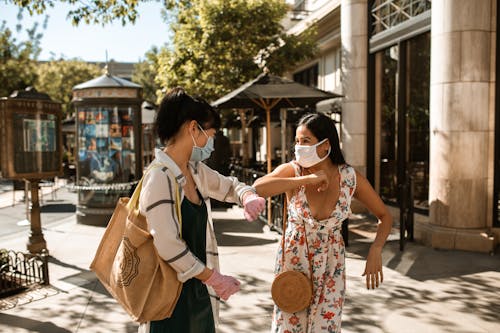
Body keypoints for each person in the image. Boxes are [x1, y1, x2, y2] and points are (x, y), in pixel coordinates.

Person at [138, 87, 266, 333]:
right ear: (193, 128)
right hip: (169, 300)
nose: (212, 142)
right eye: (212, 133)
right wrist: (214, 278)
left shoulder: (195, 170)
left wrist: (247, 196)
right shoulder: (159, 179)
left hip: (198, 292)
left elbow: (229, 186)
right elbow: (168, 245)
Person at [253, 113, 392, 333]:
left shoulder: (348, 177)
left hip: (331, 265)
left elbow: (385, 216)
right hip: (294, 261)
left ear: (325, 145)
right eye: (297, 141)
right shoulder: (294, 170)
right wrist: (307, 179)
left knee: (325, 327)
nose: (299, 147)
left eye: (305, 141)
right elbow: (258, 187)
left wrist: (376, 249)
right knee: (289, 327)